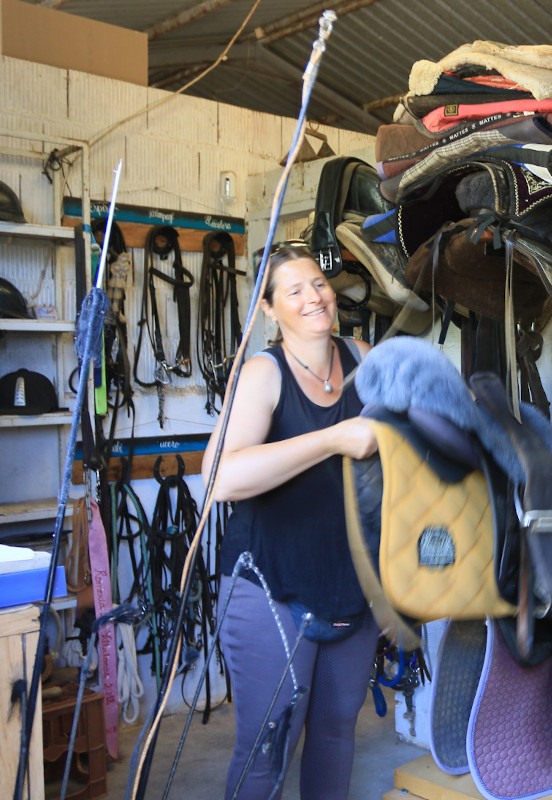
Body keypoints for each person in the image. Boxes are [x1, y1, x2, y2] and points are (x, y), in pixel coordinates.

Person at [201, 244, 380, 800]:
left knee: (335, 732)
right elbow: (219, 479)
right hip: (270, 586)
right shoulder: (263, 373)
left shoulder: (362, 357)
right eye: (294, 290)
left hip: (351, 583)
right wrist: (331, 439)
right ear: (269, 308)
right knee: (268, 747)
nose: (313, 297)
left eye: (318, 284)